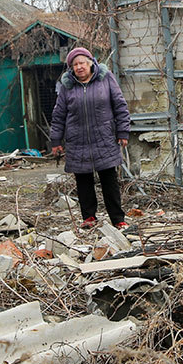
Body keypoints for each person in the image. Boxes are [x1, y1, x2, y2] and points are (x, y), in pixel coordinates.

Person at [49, 47, 131, 230]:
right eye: (75, 65)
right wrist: (56, 140)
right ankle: (89, 217)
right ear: (71, 68)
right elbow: (59, 115)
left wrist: (123, 131)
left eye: (82, 63)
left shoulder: (105, 78)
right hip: (77, 140)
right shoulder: (67, 86)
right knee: (83, 181)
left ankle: (118, 219)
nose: (79, 67)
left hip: (104, 138)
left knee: (109, 180)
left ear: (91, 64)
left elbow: (120, 105)